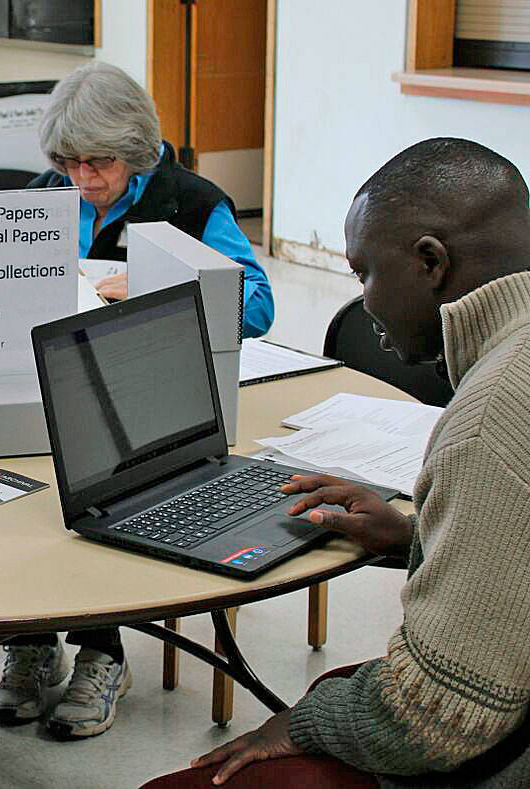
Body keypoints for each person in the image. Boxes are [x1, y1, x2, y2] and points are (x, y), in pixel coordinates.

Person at [143, 137, 530, 788]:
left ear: (431, 261)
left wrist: (295, 725)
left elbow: (438, 715)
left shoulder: (490, 417)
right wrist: (418, 533)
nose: (363, 301)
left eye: (363, 274)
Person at [0, 61, 277, 739]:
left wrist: (150, 288)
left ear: (136, 152)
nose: (82, 179)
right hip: (57, 388)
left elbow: (259, 304)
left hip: (157, 397)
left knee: (102, 486)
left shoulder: (192, 202)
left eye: (100, 163)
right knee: (21, 489)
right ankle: (30, 637)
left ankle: (102, 649)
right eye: (68, 162)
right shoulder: (41, 196)